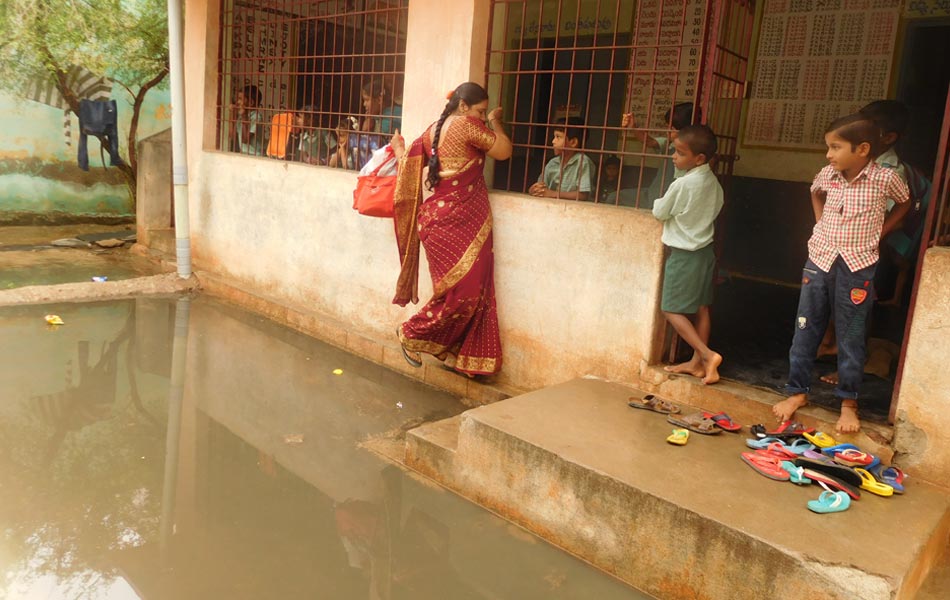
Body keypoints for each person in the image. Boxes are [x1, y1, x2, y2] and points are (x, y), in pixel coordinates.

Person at [773, 114, 909, 434]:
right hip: (819, 258)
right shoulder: (828, 174)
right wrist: (819, 223)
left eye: (835, 147)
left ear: (862, 149)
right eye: (828, 147)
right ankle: (797, 392)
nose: (829, 154)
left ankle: (849, 403)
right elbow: (814, 191)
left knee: (851, 336)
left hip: (858, 264)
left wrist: (882, 232)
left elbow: (905, 203)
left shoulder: (884, 178)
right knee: (806, 329)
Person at [389, 82, 512, 377]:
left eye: (485, 114)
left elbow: (407, 163)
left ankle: (465, 358)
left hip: (441, 222)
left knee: (470, 292)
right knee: (465, 294)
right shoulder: (467, 126)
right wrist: (496, 121)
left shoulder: (433, 129)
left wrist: (399, 149)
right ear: (463, 106)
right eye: (480, 111)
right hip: (455, 222)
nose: (482, 117)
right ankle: (410, 333)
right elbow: (505, 152)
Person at [652, 124, 725, 385]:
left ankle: (707, 355)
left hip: (684, 256)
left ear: (699, 159)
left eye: (680, 154)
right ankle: (697, 363)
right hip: (705, 253)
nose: (673, 157)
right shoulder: (713, 183)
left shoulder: (682, 185)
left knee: (670, 309)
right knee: (702, 308)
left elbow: (660, 212)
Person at [622, 102, 698, 207]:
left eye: (671, 128)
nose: (667, 131)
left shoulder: (696, 153)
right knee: (614, 198)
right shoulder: (669, 145)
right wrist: (633, 127)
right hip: (654, 194)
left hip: (669, 199)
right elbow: (649, 141)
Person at [334, 79, 403, 170]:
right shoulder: (379, 116)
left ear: (379, 99)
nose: (364, 104)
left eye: (366, 100)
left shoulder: (391, 116)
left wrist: (349, 138)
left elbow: (375, 142)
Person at [529, 117, 595, 200]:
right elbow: (541, 187)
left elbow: (583, 195)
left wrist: (552, 194)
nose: (553, 141)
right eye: (554, 137)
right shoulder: (552, 163)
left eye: (558, 137)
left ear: (573, 142)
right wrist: (533, 190)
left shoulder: (583, 162)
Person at [229, 85, 266, 156]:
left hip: (255, 155)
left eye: (240, 99)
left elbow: (245, 140)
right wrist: (232, 114)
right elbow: (232, 135)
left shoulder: (256, 117)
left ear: (251, 103)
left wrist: (244, 116)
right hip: (244, 153)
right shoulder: (241, 116)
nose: (237, 102)